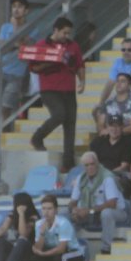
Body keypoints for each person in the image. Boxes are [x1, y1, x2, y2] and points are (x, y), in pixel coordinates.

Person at [28, 16, 85, 171]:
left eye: (68, 33)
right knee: (59, 114)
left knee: (70, 124)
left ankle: (68, 161)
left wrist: (82, 81)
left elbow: (80, 65)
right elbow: (33, 68)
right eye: (64, 33)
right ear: (56, 30)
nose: (66, 36)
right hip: (49, 89)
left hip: (69, 89)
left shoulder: (73, 46)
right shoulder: (41, 45)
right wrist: (51, 61)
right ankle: (38, 137)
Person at [69, 151, 128, 256]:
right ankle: (72, 249)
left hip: (118, 212)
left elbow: (112, 203)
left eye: (92, 164)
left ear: (97, 163)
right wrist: (74, 209)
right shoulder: (81, 178)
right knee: (65, 214)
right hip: (92, 213)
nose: (90, 167)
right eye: (87, 165)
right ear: (83, 167)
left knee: (106, 213)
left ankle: (106, 248)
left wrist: (88, 211)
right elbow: (73, 201)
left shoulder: (107, 177)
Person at [0, 0, 36, 122]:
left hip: (18, 74)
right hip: (2, 71)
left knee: (6, 106)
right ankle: (5, 135)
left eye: (19, 6)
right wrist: (17, 44)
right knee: (2, 107)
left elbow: (27, 47)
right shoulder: (5, 27)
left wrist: (14, 30)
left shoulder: (32, 28)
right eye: (14, 6)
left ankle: (5, 135)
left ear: (26, 10)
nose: (16, 9)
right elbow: (2, 47)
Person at [98, 37, 131, 114]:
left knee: (125, 116)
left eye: (130, 50)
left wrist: (130, 105)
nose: (126, 52)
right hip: (124, 98)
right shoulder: (118, 62)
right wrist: (101, 103)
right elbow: (110, 84)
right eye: (123, 50)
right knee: (99, 112)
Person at [0, 192, 39, 261]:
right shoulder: (12, 215)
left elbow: (23, 234)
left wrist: (21, 214)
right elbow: (3, 228)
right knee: (0, 241)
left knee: (21, 241)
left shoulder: (34, 217)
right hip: (15, 247)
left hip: (28, 247)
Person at [89, 114, 131, 181]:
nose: (114, 129)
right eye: (111, 126)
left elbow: (124, 166)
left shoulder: (128, 142)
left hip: (117, 175)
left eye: (117, 126)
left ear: (122, 127)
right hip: (98, 174)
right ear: (107, 127)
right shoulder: (98, 141)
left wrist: (107, 175)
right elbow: (90, 161)